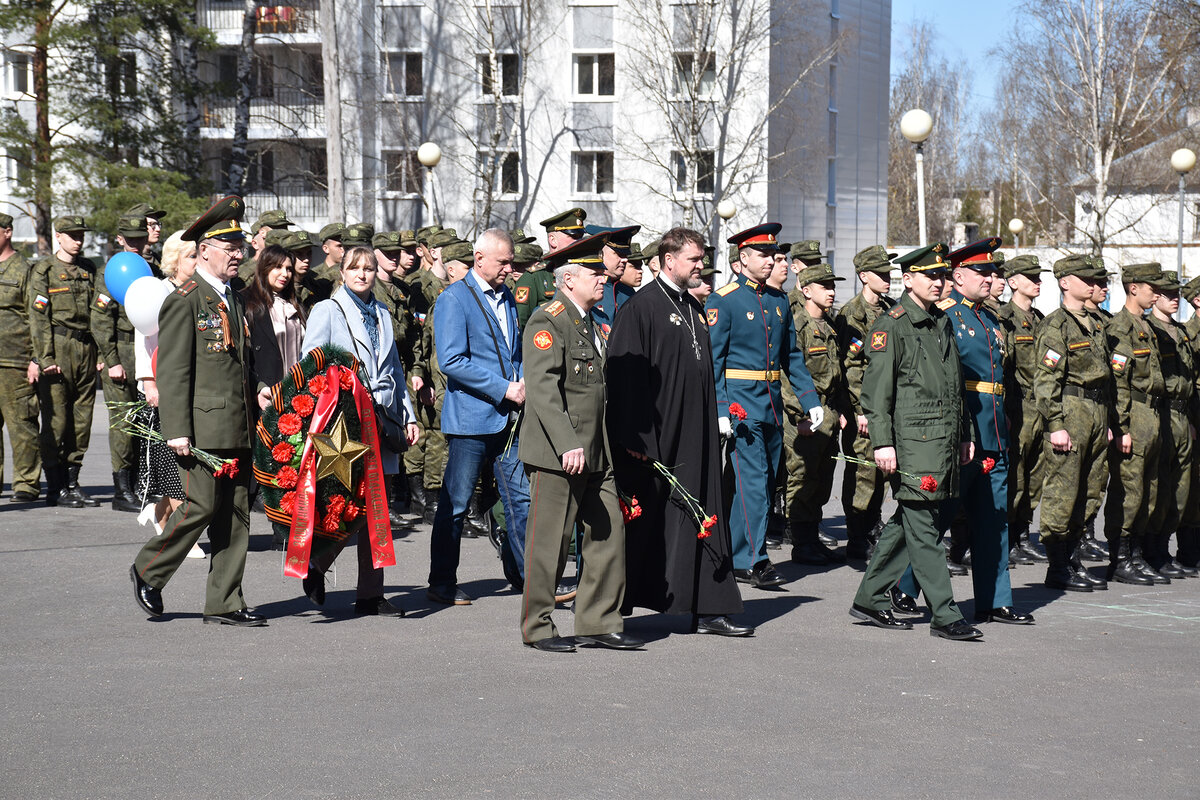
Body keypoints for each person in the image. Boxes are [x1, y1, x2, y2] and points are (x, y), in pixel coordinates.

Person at [607, 226, 753, 637]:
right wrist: (636, 436)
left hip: (697, 434)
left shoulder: (693, 306)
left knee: (703, 515)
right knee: (646, 525)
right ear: (669, 260)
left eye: (701, 260)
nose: (700, 267)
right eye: (693, 260)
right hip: (656, 439)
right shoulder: (641, 308)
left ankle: (709, 607)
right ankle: (610, 610)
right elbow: (625, 378)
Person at [130, 196, 266, 627]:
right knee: (200, 507)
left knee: (236, 515)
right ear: (205, 249)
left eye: (240, 247)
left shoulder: (236, 300)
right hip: (202, 427)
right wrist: (177, 430)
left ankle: (224, 601)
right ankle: (148, 570)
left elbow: (242, 364)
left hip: (239, 424)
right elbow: (172, 371)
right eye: (230, 248)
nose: (238, 255)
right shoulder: (186, 299)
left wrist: (261, 393)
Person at [849, 242, 982, 641]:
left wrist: (964, 435)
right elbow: (875, 393)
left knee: (909, 522)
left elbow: (955, 388)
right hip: (911, 443)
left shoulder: (941, 321)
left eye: (943, 275)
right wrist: (882, 444)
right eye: (932, 276)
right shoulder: (891, 325)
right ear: (908, 280)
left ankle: (871, 596)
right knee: (924, 528)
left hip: (942, 441)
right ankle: (944, 613)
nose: (940, 283)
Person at [519, 233, 642, 653]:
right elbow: (543, 390)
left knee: (608, 533)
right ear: (568, 279)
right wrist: (567, 443)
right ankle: (537, 625)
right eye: (594, 273)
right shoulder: (548, 319)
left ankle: (597, 620)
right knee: (549, 543)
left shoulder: (594, 321)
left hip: (598, 449)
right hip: (561, 452)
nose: (603, 279)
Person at [297, 246, 420, 616]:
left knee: (375, 504)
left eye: (368, 268)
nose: (363, 275)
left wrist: (409, 416)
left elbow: (395, 370)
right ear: (343, 273)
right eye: (355, 268)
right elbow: (311, 364)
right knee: (354, 504)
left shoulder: (382, 311)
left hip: (381, 417)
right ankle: (318, 563)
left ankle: (371, 593)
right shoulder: (328, 310)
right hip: (345, 421)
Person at [926, 238, 1033, 624]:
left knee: (993, 520)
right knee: (934, 521)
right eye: (983, 272)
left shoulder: (989, 319)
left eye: (993, 272)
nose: (991, 278)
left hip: (994, 434)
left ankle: (994, 599)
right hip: (963, 433)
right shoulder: (946, 316)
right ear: (957, 276)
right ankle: (903, 589)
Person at [707, 223, 820, 588]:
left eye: (774, 255)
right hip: (742, 406)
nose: (773, 260)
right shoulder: (724, 299)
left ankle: (735, 552)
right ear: (743, 258)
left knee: (761, 483)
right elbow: (714, 361)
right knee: (753, 484)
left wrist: (809, 400)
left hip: (770, 403)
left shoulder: (778, 301)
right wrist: (722, 407)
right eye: (764, 255)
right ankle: (754, 560)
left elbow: (792, 357)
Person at [427, 229, 530, 606]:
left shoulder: (507, 299)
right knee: (455, 504)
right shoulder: (454, 299)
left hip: (509, 419)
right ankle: (441, 583)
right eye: (502, 262)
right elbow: (452, 361)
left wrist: (521, 380)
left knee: (521, 500)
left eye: (511, 262)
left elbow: (512, 352)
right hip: (471, 420)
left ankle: (528, 579)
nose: (508, 268)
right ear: (478, 258)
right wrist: (504, 387)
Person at [1032, 254, 1114, 591]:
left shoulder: (1095, 323)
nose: (1095, 285)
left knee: (1091, 489)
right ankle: (1058, 566)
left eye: (1097, 280)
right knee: (1063, 491)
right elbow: (1046, 380)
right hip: (1071, 410)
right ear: (1065, 282)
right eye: (1087, 279)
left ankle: (1074, 558)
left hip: (1095, 411)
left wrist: (1106, 419)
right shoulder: (1056, 325)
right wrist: (1056, 424)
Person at [1103, 262, 1170, 584]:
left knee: (1150, 491)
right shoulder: (1120, 328)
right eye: (1151, 287)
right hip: (1136, 415)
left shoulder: (1147, 328)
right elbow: (1118, 384)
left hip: (1153, 416)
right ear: (1133, 288)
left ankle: (1137, 553)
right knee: (1129, 492)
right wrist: (1122, 427)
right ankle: (1120, 558)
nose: (1156, 293)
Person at [132, 231, 198, 556]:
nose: (197, 262)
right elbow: (144, 337)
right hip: (165, 384)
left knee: (188, 459)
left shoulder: (200, 291)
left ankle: (161, 514)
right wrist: (149, 382)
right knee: (175, 461)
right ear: (175, 260)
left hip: (194, 385)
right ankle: (173, 526)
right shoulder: (159, 291)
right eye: (191, 256)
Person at [29, 216, 101, 508]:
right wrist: (44, 357)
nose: (78, 240)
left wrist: (99, 353)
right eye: (71, 235)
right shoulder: (44, 270)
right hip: (57, 348)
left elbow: (98, 314)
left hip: (85, 347)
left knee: (82, 421)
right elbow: (38, 317)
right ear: (58, 236)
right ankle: (55, 485)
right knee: (56, 422)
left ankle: (73, 483)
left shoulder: (88, 269)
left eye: (81, 235)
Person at [782, 260, 849, 564]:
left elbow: (836, 374)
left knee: (822, 477)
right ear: (806, 290)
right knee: (802, 476)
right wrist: (800, 416)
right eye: (825, 286)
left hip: (829, 413)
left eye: (833, 286)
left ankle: (812, 534)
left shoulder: (829, 326)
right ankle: (801, 540)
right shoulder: (797, 325)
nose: (832, 291)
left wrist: (840, 411)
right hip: (807, 415)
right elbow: (789, 376)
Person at [835, 245, 896, 562]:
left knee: (882, 473)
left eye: (888, 272)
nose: (888, 278)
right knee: (863, 472)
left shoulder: (890, 310)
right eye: (881, 273)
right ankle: (857, 534)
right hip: (863, 408)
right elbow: (850, 367)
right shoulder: (852, 315)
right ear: (863, 275)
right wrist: (859, 409)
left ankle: (873, 525)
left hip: (886, 406)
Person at [93, 213, 149, 513]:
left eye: (140, 238)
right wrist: (112, 360)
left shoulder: (149, 270)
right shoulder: (111, 271)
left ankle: (142, 482)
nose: (137, 244)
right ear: (120, 239)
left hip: (145, 349)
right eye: (131, 239)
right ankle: (121, 487)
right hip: (122, 353)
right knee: (123, 424)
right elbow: (101, 321)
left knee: (144, 421)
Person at [997, 254, 1051, 564]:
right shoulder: (1005, 318)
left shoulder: (1040, 319)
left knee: (1034, 475)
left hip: (1039, 404)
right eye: (1031, 277)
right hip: (1017, 404)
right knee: (1014, 475)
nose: (1038, 282)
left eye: (1038, 277)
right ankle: (1005, 537)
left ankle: (1022, 535)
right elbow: (1004, 367)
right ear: (1014, 282)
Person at [1146, 270, 1200, 578]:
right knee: (1159, 486)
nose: (1174, 299)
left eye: (1177, 294)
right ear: (1155, 297)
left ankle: (1164, 549)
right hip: (1161, 413)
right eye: (1169, 294)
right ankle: (1154, 551)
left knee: (1180, 488)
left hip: (1182, 415)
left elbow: (1189, 380)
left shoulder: (1180, 331)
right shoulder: (1150, 329)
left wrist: (1190, 419)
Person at [0, 212, 41, 502]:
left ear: (6, 232)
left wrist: (36, 358)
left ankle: (26, 483)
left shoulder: (24, 269)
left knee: (22, 425)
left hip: (15, 360)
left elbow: (35, 318)